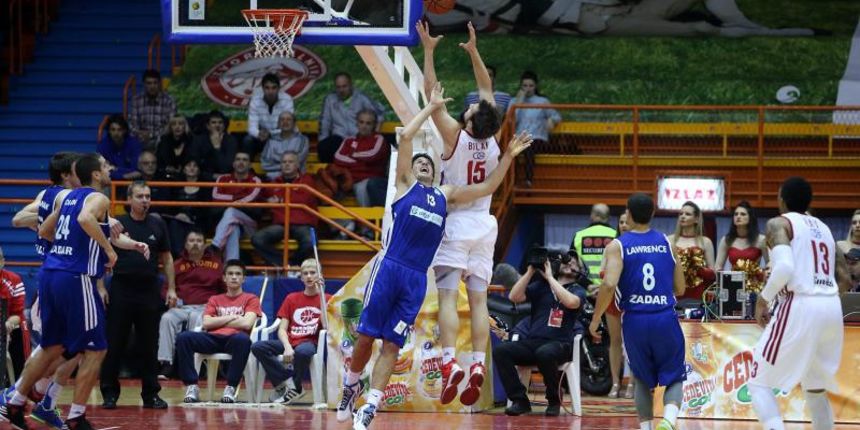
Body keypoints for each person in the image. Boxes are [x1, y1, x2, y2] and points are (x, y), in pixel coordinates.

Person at [335, 82, 531, 430]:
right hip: (390, 267)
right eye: (420, 163)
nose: (424, 164)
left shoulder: (445, 193)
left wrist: (508, 157)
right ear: (412, 170)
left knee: (392, 344)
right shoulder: (404, 186)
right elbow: (407, 136)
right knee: (366, 337)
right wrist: (431, 107)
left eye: (428, 163)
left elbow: (487, 187)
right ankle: (351, 385)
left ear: (436, 170)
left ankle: (370, 406)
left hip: (415, 277)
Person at [1, 153, 148, 430]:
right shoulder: (99, 198)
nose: (110, 169)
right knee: (96, 348)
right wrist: (107, 251)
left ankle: (16, 400)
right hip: (76, 277)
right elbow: (84, 218)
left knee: (53, 346)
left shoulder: (64, 198)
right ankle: (76, 416)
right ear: (95, 174)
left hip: (51, 273)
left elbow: (44, 231)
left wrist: (68, 248)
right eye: (105, 166)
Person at [417, 20, 504, 407]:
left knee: (449, 298)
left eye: (470, 107)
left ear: (469, 120)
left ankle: (450, 361)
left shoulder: (455, 135)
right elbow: (486, 87)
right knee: (480, 301)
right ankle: (478, 365)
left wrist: (429, 51)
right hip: (485, 224)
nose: (472, 103)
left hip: (455, 222)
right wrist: (474, 52)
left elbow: (429, 93)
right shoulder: (493, 137)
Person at [749, 177, 851, 430]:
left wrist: (763, 299)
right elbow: (845, 279)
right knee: (815, 387)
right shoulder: (825, 228)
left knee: (758, 381)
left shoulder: (779, 223)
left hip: (801, 303)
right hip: (831, 306)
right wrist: (822, 299)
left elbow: (784, 267)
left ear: (781, 199)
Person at [590, 192, 687, 430]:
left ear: (629, 214)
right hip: (665, 317)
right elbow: (681, 288)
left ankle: (647, 428)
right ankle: (668, 420)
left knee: (642, 379)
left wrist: (595, 318)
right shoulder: (667, 243)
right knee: (674, 375)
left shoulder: (617, 245)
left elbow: (609, 284)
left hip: (635, 320)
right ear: (652, 214)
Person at [99, 182, 175, 410]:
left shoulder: (158, 223)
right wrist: (101, 287)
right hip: (121, 288)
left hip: (149, 290)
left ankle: (151, 394)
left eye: (148, 196)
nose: (145, 200)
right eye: (140, 196)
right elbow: (101, 255)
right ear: (129, 199)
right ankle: (109, 393)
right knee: (114, 343)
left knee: (149, 345)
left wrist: (172, 288)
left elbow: (167, 258)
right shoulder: (118, 224)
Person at [495, 250, 588, 416]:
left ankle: (554, 400)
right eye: (567, 261)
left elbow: (572, 303)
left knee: (545, 353)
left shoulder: (577, 289)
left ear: (580, 270)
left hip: (560, 344)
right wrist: (531, 271)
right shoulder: (540, 286)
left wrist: (551, 278)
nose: (569, 264)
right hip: (534, 342)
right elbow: (514, 297)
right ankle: (520, 400)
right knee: (501, 351)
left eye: (574, 263)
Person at [177, 260, 261, 404]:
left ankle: (231, 387)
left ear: (243, 279)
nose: (234, 277)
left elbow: (247, 323)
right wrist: (232, 317)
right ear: (224, 278)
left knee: (243, 340)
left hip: (234, 340)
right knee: (184, 338)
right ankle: (192, 386)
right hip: (213, 338)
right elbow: (206, 323)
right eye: (230, 274)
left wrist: (218, 320)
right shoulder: (214, 299)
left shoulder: (251, 298)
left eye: (238, 274)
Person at [251, 259, 330, 403]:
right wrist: (287, 347)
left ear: (320, 276)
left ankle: (294, 387)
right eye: (305, 273)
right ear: (301, 277)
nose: (309, 276)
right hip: (290, 341)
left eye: (313, 273)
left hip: (310, 342)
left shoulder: (327, 299)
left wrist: (322, 294)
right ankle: (290, 384)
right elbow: (282, 329)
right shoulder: (291, 298)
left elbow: (326, 326)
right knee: (258, 347)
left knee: (303, 352)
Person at [157, 229, 225, 380]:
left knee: (196, 318)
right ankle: (166, 363)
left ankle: (196, 364)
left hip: (205, 307)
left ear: (205, 245)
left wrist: (216, 305)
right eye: (191, 241)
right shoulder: (176, 265)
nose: (195, 244)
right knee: (166, 318)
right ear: (186, 244)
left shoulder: (216, 264)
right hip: (181, 307)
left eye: (199, 241)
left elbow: (224, 290)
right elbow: (166, 288)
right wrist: (170, 296)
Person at [251, 151, 318, 268]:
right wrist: (267, 201)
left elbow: (302, 199)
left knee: (310, 242)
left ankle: (294, 264)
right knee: (257, 239)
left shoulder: (307, 180)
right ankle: (287, 264)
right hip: (281, 224)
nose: (287, 164)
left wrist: (281, 200)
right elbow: (261, 198)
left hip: (302, 224)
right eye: (284, 162)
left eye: (290, 162)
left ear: (297, 165)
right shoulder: (274, 183)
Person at [598, 212, 633, 399]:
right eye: (621, 222)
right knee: (615, 341)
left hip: (633, 298)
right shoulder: (611, 247)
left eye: (627, 222)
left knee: (633, 342)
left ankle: (632, 383)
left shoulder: (637, 246)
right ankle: (615, 382)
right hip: (612, 298)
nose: (624, 225)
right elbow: (602, 272)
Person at [317, 72, 386, 163]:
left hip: (358, 137)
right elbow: (325, 122)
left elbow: (379, 116)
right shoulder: (330, 99)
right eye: (338, 87)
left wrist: (374, 135)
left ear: (351, 85)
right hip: (339, 137)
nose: (341, 90)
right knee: (324, 147)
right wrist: (322, 141)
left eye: (344, 86)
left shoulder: (361, 98)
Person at [509, 70, 561, 187]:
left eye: (531, 86)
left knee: (529, 147)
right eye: (525, 86)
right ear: (521, 86)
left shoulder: (542, 101)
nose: (528, 89)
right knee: (511, 152)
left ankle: (528, 180)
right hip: (519, 138)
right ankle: (513, 183)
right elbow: (511, 121)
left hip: (538, 138)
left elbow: (556, 116)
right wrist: (518, 103)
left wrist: (551, 120)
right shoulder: (514, 102)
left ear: (535, 86)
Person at [211, 152, 263, 261]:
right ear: (233, 163)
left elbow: (249, 199)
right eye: (238, 159)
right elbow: (216, 197)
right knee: (233, 228)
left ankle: (215, 246)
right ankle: (232, 264)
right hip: (227, 224)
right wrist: (237, 198)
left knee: (231, 211)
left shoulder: (255, 180)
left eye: (244, 160)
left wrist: (230, 200)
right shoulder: (222, 179)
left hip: (249, 226)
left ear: (250, 165)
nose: (241, 162)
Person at [667, 201, 715, 302]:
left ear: (696, 219)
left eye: (687, 214)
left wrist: (699, 269)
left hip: (698, 293)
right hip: (674, 292)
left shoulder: (705, 242)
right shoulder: (669, 240)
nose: (683, 216)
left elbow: (712, 273)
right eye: (681, 214)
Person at [166, 159, 214, 257]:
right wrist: (178, 215)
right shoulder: (176, 187)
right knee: (174, 225)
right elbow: (170, 207)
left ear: (198, 170)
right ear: (184, 169)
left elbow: (206, 211)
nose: (192, 168)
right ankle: (180, 257)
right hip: (178, 222)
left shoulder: (205, 188)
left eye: (195, 166)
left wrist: (189, 217)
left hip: (196, 222)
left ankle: (182, 258)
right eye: (188, 165)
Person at [245, 73, 295, 158]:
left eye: (274, 88)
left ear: (279, 88)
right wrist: (259, 134)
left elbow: (288, 127)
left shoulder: (287, 99)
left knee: (291, 139)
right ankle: (248, 166)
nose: (270, 91)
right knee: (247, 140)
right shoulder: (255, 100)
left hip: (281, 136)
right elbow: (251, 128)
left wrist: (270, 134)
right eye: (267, 88)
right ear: (262, 88)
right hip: (262, 137)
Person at [571, 203, 617, 291]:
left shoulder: (579, 236)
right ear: (608, 217)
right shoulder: (617, 236)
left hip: (585, 292)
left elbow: (572, 267)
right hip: (610, 292)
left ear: (592, 216)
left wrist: (588, 285)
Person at [714, 201, 769, 272]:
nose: (738, 216)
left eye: (743, 214)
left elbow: (769, 264)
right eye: (736, 214)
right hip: (733, 279)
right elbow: (718, 266)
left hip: (754, 279)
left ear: (750, 218)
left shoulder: (761, 239)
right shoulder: (726, 240)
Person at [0, 246, 28, 381]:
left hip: (11, 326)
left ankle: (19, 385)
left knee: (21, 328)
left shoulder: (14, 280)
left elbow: (18, 313)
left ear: (2, 261)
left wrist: (8, 324)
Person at [129, 69, 176, 149]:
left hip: (162, 140)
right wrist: (140, 134)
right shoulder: (136, 101)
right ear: (144, 84)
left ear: (159, 84)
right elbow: (132, 125)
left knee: (167, 141)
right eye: (149, 83)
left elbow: (170, 126)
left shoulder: (169, 101)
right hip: (141, 140)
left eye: (155, 83)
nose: (152, 86)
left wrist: (151, 135)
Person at [261, 111, 309, 179]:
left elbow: (298, 161)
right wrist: (287, 165)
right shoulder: (271, 140)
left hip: (297, 178)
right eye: (282, 119)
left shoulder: (302, 140)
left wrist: (277, 160)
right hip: (274, 178)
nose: (285, 122)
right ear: (278, 124)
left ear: (294, 123)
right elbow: (265, 164)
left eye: (288, 119)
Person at [193, 110, 239, 177]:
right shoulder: (199, 140)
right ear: (208, 126)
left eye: (220, 122)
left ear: (224, 126)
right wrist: (211, 175)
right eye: (213, 122)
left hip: (225, 177)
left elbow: (227, 167)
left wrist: (217, 148)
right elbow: (196, 164)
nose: (217, 125)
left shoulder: (231, 140)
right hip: (204, 177)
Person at [97, 114, 142, 181]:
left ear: (124, 130)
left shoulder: (134, 144)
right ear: (109, 131)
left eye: (119, 130)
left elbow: (136, 170)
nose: (116, 133)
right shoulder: (103, 145)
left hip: (131, 182)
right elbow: (101, 170)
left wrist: (115, 169)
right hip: (109, 182)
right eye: (113, 130)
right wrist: (123, 176)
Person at [155, 114, 193, 179]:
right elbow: (159, 162)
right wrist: (166, 168)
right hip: (166, 176)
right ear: (170, 127)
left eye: (180, 124)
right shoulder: (164, 142)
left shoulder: (191, 141)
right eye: (174, 124)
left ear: (185, 126)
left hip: (187, 176)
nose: (177, 127)